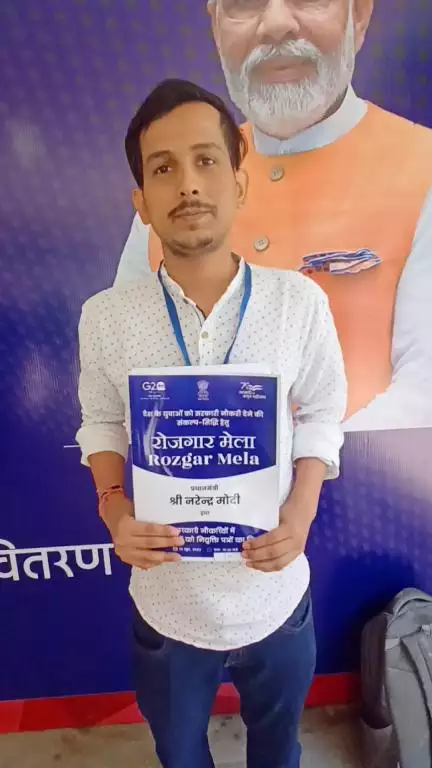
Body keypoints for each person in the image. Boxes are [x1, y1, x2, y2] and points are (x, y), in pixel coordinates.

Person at [76, 79, 347, 768]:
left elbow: (323, 409)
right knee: (179, 754)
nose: (188, 184)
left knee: (278, 752)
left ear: (239, 182)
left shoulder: (298, 302)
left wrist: (301, 513)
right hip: (168, 605)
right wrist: (114, 511)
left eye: (205, 160)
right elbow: (101, 423)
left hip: (274, 594)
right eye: (163, 168)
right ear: (141, 202)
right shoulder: (106, 317)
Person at [115, 0, 432, 431]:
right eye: (246, 4)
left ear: (358, 15)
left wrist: (292, 462)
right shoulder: (171, 184)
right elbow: (121, 384)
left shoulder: (423, 168)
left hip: (364, 475)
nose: (277, 23)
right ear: (216, 27)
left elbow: (422, 395)